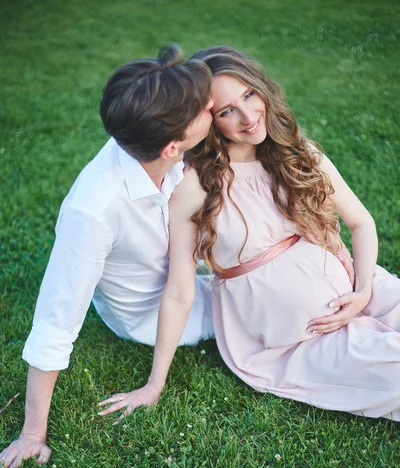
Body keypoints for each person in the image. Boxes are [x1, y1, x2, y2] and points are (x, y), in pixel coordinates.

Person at [97, 45, 400, 425]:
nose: (248, 117)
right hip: (297, 337)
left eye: (249, 95)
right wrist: (154, 385)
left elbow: (361, 223)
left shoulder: (297, 153)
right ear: (208, 120)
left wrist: (365, 289)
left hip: (355, 289)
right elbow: (179, 291)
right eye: (227, 111)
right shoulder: (197, 188)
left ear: (262, 88)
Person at [0, 44, 215, 468]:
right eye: (204, 108)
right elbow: (55, 322)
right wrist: (32, 434)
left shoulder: (146, 135)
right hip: (155, 312)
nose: (214, 105)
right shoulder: (93, 212)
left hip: (191, 268)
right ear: (173, 147)